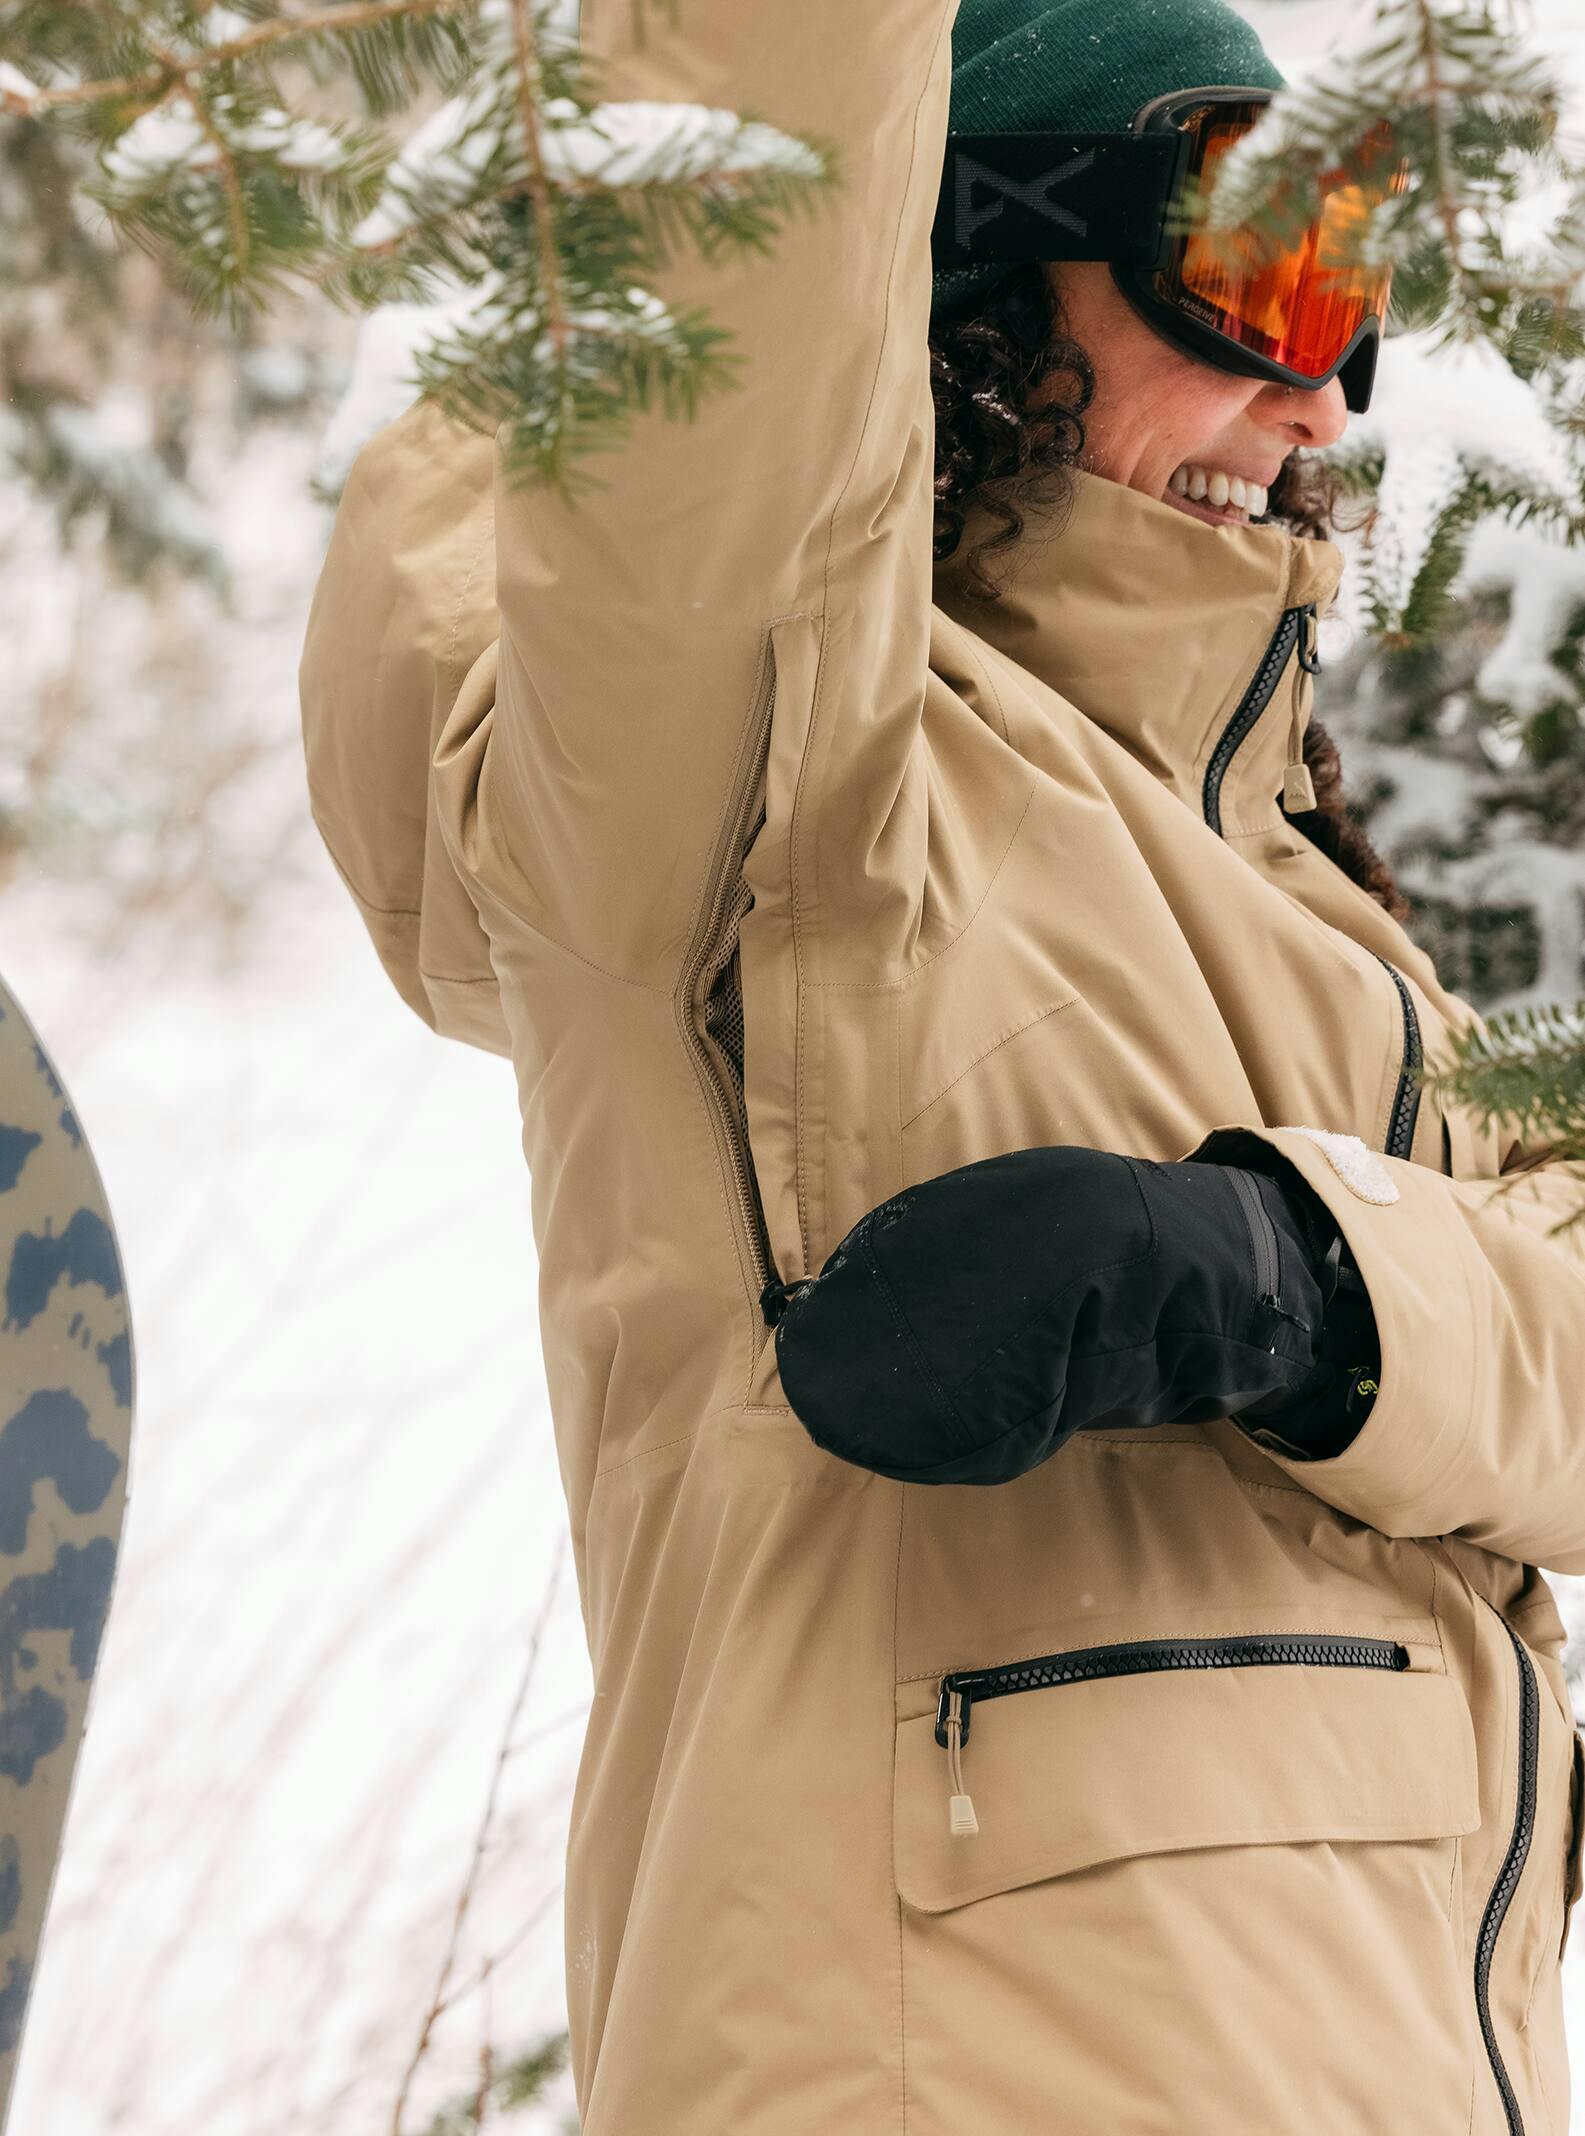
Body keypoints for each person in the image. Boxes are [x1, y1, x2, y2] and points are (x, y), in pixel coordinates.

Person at [298, 1, 1585, 2128]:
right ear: (971, 255)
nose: (1309, 384)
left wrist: (1299, 1285)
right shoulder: (786, 795)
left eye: (1348, 291)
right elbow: (743, 269)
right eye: (1252, 271)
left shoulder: (1297, 903)